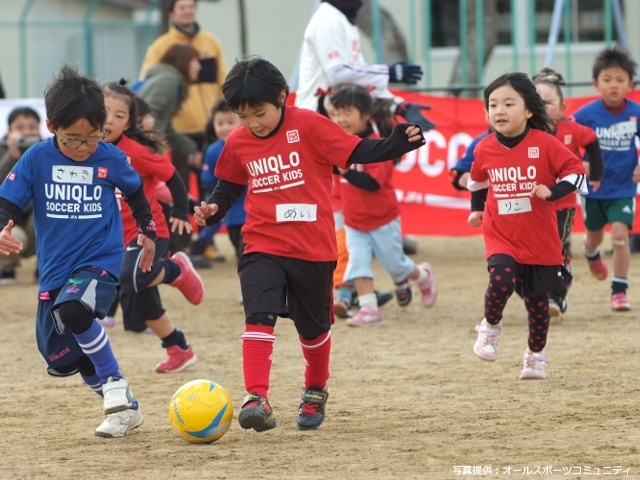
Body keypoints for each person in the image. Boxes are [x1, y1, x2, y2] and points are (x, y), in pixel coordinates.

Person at [193, 56, 425, 432]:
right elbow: (230, 184)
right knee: (258, 315)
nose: (252, 123)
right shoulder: (238, 141)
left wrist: (394, 144)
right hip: (262, 243)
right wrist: (214, 208)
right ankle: (257, 397)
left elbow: (355, 152)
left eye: (259, 113)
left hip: (313, 249)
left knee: (312, 330)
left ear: (282, 96)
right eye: (242, 115)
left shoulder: (310, 125)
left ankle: (315, 390)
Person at [0, 64, 157, 437]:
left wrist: (148, 232)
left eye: (93, 138)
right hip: (54, 270)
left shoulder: (110, 158)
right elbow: (8, 201)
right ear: (52, 125)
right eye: (73, 139)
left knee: (74, 308)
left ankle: (115, 382)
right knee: (65, 353)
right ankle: (125, 409)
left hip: (99, 261)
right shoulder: (36, 159)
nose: (84, 148)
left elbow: (136, 193)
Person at [467, 72, 587, 380]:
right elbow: (477, 180)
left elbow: (576, 173)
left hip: (540, 239)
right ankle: (490, 328)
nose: (499, 111)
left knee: (538, 306)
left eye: (509, 103)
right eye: (492, 105)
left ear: (529, 110)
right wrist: (477, 210)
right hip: (501, 235)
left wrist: (553, 191)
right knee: (502, 280)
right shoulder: (484, 148)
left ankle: (535, 357)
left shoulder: (546, 143)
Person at [103, 80, 202, 373]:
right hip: (116, 240)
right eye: (104, 112)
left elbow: (171, 177)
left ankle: (177, 271)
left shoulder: (136, 151)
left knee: (130, 277)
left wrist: (183, 210)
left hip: (150, 232)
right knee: (141, 305)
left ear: (129, 123)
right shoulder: (86, 150)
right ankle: (179, 348)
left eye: (119, 116)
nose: (109, 120)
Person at [327, 83, 436, 327]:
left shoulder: (378, 144)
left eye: (347, 113)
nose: (340, 119)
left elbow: (373, 183)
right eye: (336, 113)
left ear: (366, 115)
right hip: (354, 221)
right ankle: (369, 309)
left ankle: (422, 275)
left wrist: (345, 173)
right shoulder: (339, 142)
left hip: (382, 219)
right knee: (357, 262)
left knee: (395, 264)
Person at [532, 68, 604, 317]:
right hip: (533, 207)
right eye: (537, 101)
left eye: (549, 103)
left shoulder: (571, 129)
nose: (542, 107)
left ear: (562, 109)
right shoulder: (524, 133)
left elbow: (592, 140)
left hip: (563, 205)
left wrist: (594, 173)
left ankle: (557, 294)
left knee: (557, 247)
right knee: (536, 250)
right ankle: (558, 281)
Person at [295, 0, 433, 130]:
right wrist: (388, 73)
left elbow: (359, 77)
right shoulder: (327, 19)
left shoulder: (345, 20)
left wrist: (399, 106)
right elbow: (337, 72)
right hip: (314, 119)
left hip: (334, 119)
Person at [572, 47, 640, 312]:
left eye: (620, 80)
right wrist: (581, 162)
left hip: (623, 188)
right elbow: (567, 142)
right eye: (608, 79)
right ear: (596, 83)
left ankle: (619, 291)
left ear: (630, 85)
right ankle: (590, 253)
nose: (614, 85)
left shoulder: (636, 112)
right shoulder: (586, 114)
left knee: (621, 236)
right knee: (594, 238)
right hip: (593, 190)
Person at [138, 42, 202, 254]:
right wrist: (148, 150)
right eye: (196, 61)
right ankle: (172, 249)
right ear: (184, 61)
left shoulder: (169, 79)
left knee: (160, 198)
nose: (198, 67)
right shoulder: (169, 79)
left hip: (143, 149)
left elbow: (165, 128)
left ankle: (171, 249)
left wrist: (190, 148)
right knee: (161, 199)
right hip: (142, 153)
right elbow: (149, 111)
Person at [139, 0, 227, 151]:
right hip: (179, 130)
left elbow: (222, 79)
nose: (187, 11)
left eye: (191, 6)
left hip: (211, 126)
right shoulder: (160, 46)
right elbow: (148, 82)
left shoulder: (210, 41)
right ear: (171, 13)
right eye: (182, 7)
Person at [190, 99, 243, 269]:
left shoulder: (249, 146)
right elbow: (208, 181)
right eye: (219, 123)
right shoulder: (213, 150)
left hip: (250, 212)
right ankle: (197, 249)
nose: (225, 127)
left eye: (230, 122)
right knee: (237, 248)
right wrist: (215, 202)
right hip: (226, 206)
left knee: (250, 254)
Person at [0, 107, 42, 284]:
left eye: (32, 127)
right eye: (20, 127)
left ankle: (45, 266)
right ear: (9, 130)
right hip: (8, 220)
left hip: (35, 221)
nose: (26, 132)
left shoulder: (46, 151)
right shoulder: (3, 151)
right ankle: (6, 267)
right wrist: (12, 156)